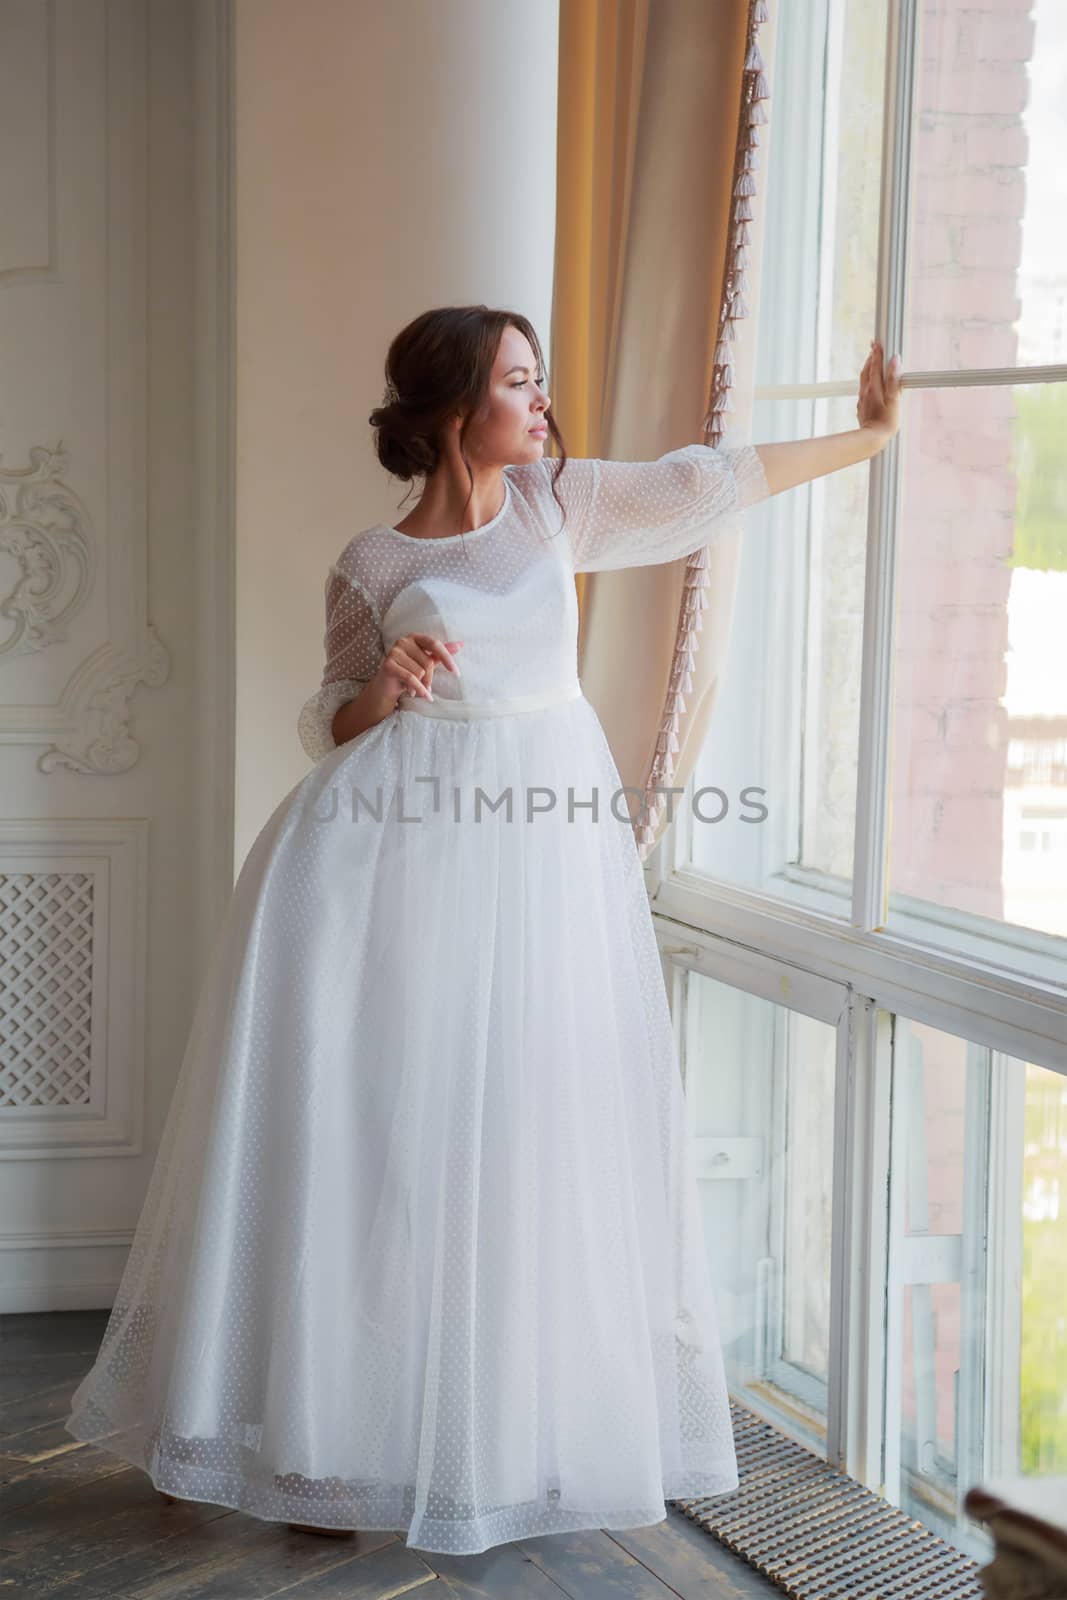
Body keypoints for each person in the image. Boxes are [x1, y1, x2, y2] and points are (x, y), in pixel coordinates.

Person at [64, 304, 902, 1555]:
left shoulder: (555, 507)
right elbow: (329, 718)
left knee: (525, 1129)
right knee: (379, 1145)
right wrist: (379, 690)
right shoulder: (373, 562)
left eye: (540, 377)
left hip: (543, 858)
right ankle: (326, 1452)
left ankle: (497, 1432)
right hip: (382, 864)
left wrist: (866, 438)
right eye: (517, 380)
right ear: (454, 409)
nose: (542, 401)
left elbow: (706, 485)